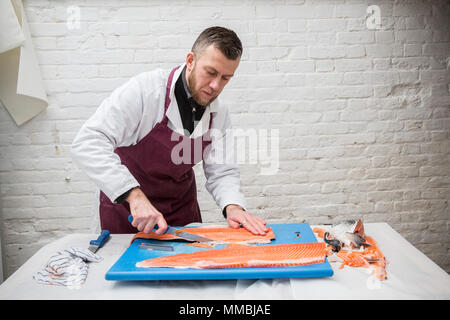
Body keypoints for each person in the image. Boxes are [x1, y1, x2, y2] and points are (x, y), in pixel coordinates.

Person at [71, 26, 268, 236]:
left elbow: (222, 171)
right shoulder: (146, 91)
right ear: (191, 60)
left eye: (225, 78)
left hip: (180, 213)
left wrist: (234, 207)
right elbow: (88, 141)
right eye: (210, 73)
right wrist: (134, 195)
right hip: (128, 211)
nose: (215, 86)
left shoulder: (218, 114)